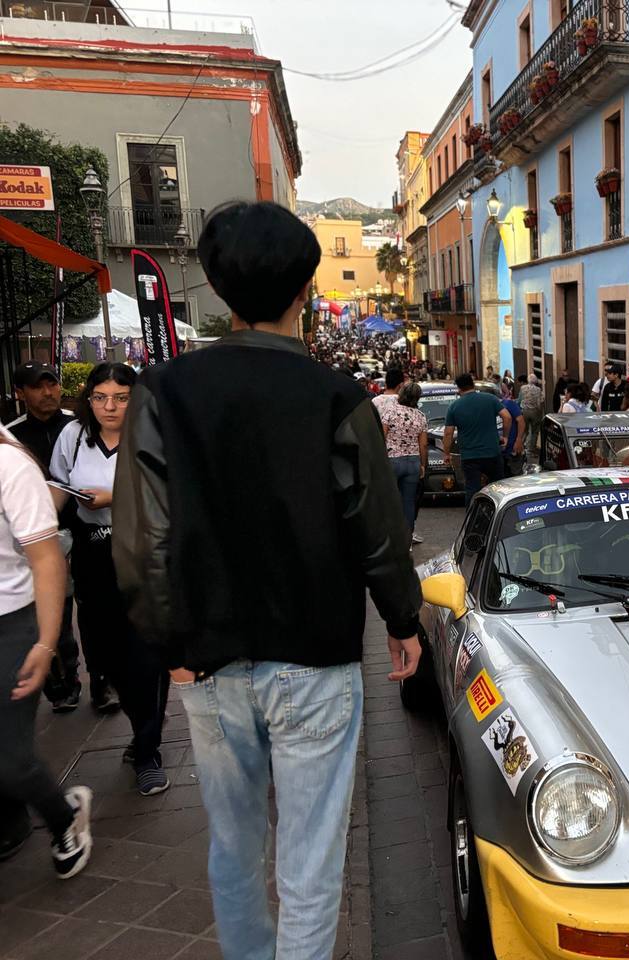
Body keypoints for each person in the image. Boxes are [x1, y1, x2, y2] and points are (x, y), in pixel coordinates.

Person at [113, 200, 423, 960]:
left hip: (209, 659)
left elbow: (141, 537)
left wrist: (167, 642)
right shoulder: (336, 398)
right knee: (312, 862)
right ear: (304, 291)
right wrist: (403, 619)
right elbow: (376, 528)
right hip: (314, 655)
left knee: (234, 843)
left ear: (219, 293)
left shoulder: (162, 392)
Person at [48, 363, 170, 795]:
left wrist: (115, 495)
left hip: (145, 556)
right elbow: (60, 486)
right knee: (103, 651)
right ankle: (143, 719)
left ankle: (147, 747)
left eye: (120, 397)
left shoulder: (154, 432)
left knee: (147, 655)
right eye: (100, 397)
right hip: (93, 557)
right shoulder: (74, 436)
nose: (109, 406)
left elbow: (170, 486)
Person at [0, 432, 93, 876]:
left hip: (11, 624)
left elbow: (46, 559)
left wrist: (46, 641)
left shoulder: (10, 467)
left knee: (11, 761)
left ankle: (64, 817)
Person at [6, 361, 92, 713]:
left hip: (84, 529)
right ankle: (62, 682)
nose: (48, 393)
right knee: (54, 613)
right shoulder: (12, 439)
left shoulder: (78, 425)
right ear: (20, 394)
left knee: (88, 608)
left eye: (52, 384)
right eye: (38, 387)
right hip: (37, 539)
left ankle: (101, 679)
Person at [444, 372, 511, 505]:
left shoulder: (454, 407)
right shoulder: (490, 399)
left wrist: (446, 453)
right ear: (473, 384)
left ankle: (472, 517)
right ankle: (498, 513)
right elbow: (507, 417)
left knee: (472, 488)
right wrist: (505, 436)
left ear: (459, 388)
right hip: (492, 452)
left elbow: (448, 433)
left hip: (470, 456)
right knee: (497, 487)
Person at [380, 381, 427, 545]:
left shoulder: (390, 412)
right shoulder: (420, 416)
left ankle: (390, 536)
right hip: (413, 461)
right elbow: (423, 444)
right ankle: (407, 538)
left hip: (392, 460)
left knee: (390, 499)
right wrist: (423, 465)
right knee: (408, 501)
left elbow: (382, 436)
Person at [518, 373, 544, 466]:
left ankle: (521, 447)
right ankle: (530, 450)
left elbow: (519, 400)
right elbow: (540, 402)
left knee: (524, 431)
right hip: (535, 412)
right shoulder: (538, 389)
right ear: (536, 381)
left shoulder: (523, 388)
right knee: (534, 431)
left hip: (524, 411)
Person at [500, 390, 526, 477]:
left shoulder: (508, 404)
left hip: (511, 448)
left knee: (515, 477)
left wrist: (518, 440)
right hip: (497, 451)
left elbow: (521, 421)